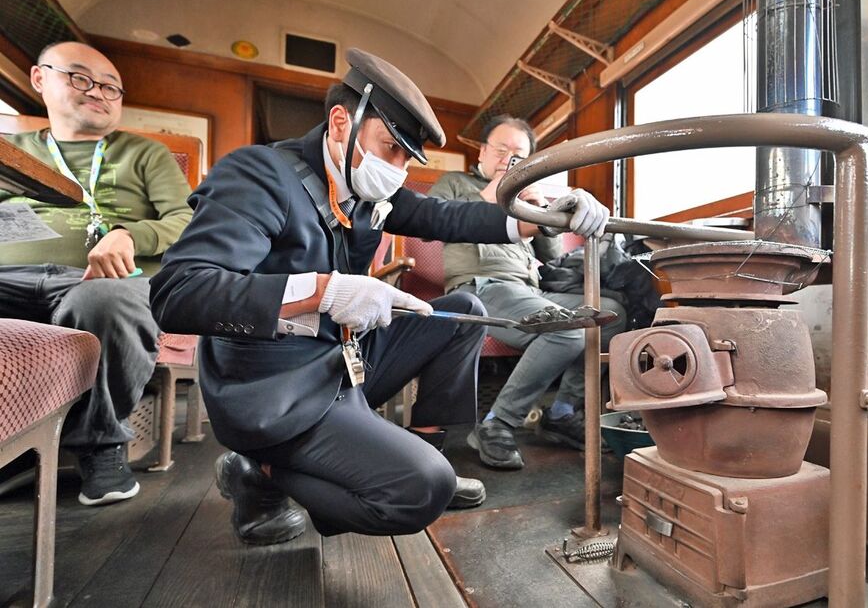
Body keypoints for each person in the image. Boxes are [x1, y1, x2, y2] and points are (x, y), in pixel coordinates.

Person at [149, 48, 609, 543]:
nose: (394, 168)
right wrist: (323, 292)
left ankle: (424, 446)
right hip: (271, 388)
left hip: (338, 362)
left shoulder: (371, 191)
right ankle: (254, 471)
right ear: (341, 122)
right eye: (388, 146)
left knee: (459, 312)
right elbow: (180, 292)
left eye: (404, 158)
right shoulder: (260, 175)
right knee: (418, 491)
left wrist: (545, 215)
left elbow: (448, 218)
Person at [0, 42, 193, 504]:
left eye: (112, 87)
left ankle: (101, 444)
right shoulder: (11, 150)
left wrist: (128, 235)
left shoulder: (144, 154)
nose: (100, 93)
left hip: (98, 281)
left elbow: (188, 221)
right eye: (81, 78)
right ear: (39, 78)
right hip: (10, 274)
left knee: (107, 302)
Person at [430, 115, 628, 470]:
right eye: (502, 150)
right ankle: (497, 422)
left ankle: (563, 412)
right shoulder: (455, 183)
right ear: (483, 151)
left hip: (529, 289)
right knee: (566, 328)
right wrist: (496, 193)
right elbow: (433, 223)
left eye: (519, 156)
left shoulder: (525, 200)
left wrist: (544, 216)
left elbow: (551, 261)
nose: (508, 160)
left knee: (611, 313)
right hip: (480, 287)